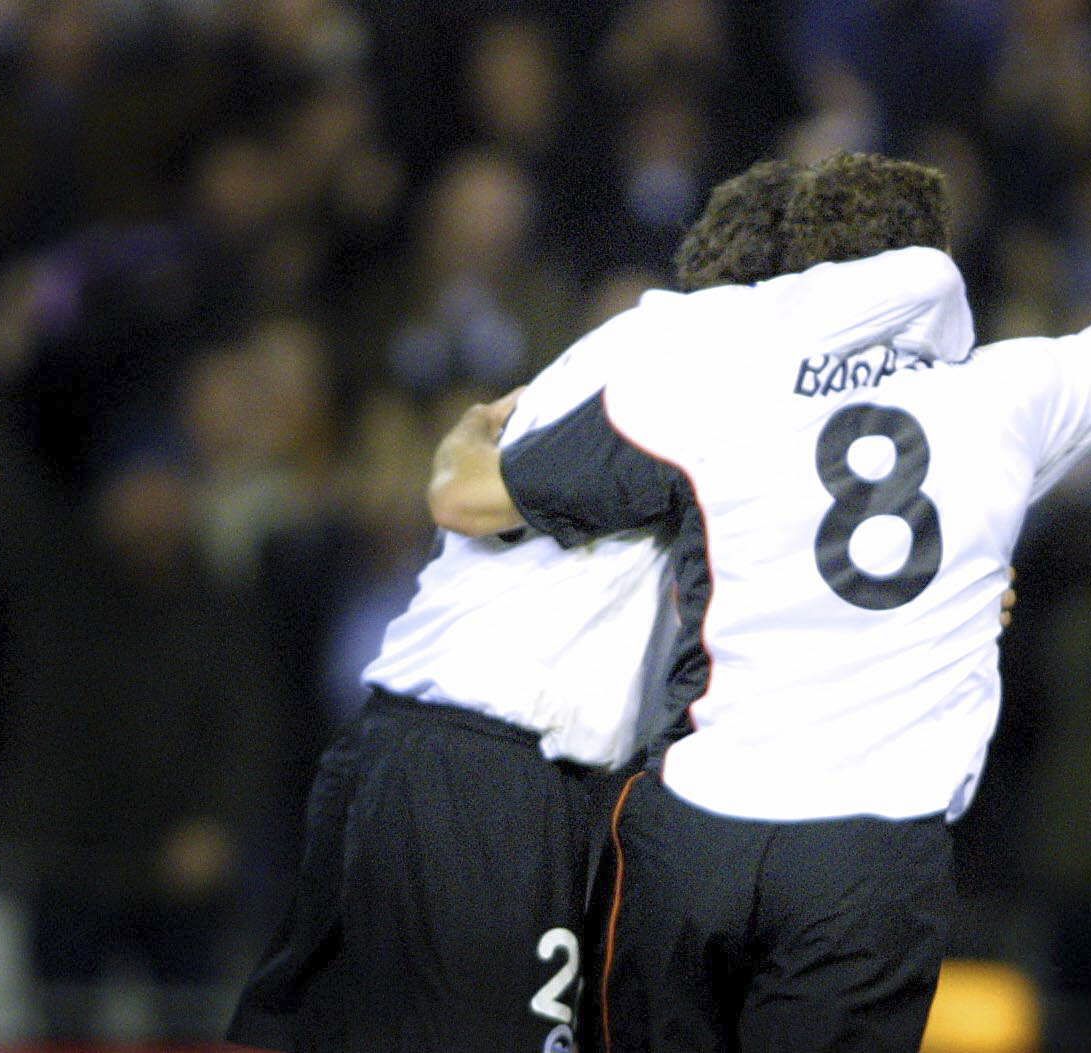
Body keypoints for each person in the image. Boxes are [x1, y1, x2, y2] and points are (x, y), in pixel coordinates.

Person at [437, 69, 1091, 1052]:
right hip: (869, 858)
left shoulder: (714, 391)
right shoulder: (1005, 398)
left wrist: (461, 441)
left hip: (696, 823)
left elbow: (473, 499)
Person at [224, 160, 976, 1053]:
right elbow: (473, 498)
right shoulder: (729, 361)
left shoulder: (639, 345)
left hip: (396, 754)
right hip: (496, 788)